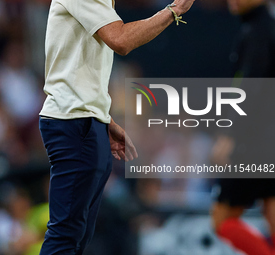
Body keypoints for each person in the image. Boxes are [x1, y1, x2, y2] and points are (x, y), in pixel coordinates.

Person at [38, 0, 195, 254]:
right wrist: (174, 10)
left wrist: (104, 118)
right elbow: (120, 40)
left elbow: (74, 66)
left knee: (78, 235)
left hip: (86, 121)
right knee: (66, 235)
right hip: (74, 123)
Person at [211, 0, 275, 254]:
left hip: (254, 142)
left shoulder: (258, 33)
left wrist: (230, 136)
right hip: (267, 139)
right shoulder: (262, 29)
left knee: (222, 219)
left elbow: (251, 90)